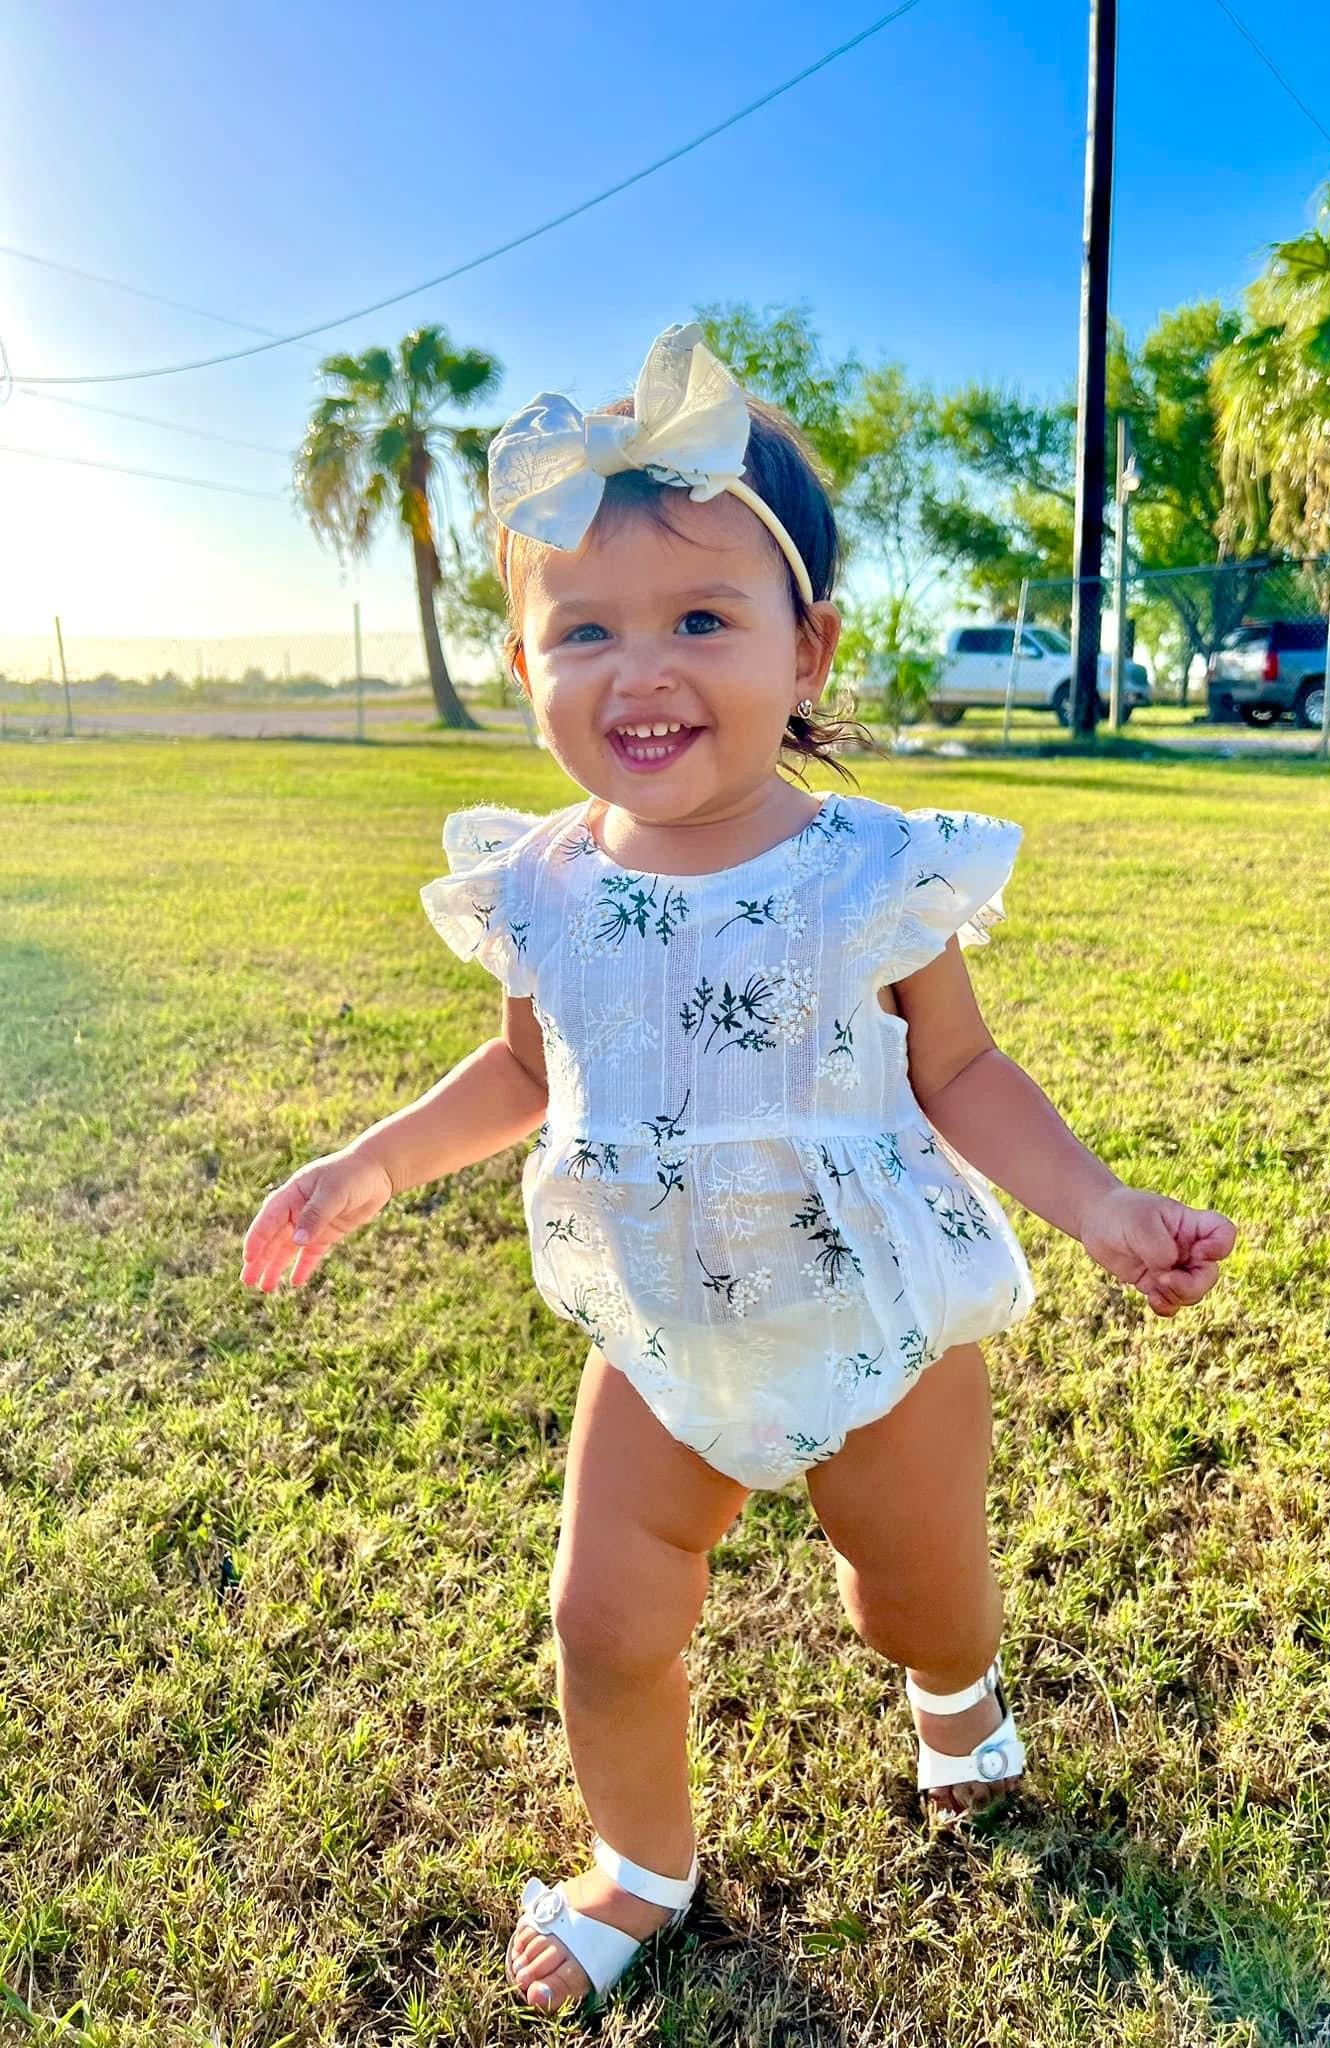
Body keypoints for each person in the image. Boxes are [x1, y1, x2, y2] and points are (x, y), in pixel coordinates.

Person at [241, 324, 1238, 2016]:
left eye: (702, 619)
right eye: (588, 631)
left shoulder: (872, 872)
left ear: (809, 642)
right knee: (603, 1619)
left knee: (909, 1592)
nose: (643, 670)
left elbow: (965, 1071)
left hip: (877, 1316)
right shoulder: (540, 886)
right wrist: (370, 1166)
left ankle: (957, 1694)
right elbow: (520, 1069)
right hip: (659, 1321)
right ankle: (642, 1861)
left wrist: (1101, 1209)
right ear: (521, 657)